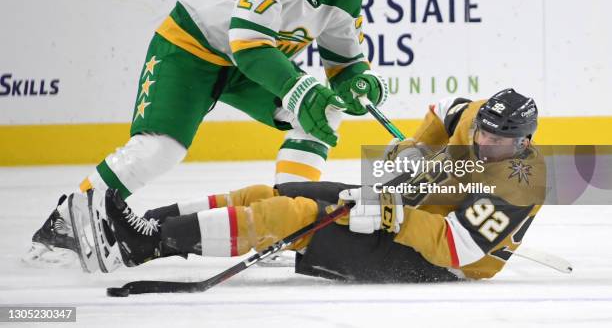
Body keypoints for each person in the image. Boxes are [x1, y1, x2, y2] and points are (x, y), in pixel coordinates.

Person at [25, 0, 388, 272]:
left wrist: (360, 84)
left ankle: (287, 225)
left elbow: (344, 64)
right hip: (190, 49)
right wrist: (297, 87)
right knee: (160, 150)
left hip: (246, 67)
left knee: (323, 115)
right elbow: (249, 47)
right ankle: (64, 223)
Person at [80, 88, 546, 282]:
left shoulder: (520, 182)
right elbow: (448, 111)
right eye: (482, 131)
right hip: (413, 207)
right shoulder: (478, 117)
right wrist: (417, 148)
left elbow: (456, 248)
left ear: (524, 141)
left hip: (433, 262)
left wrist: (391, 215)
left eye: (498, 139)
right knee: (271, 195)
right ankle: (142, 224)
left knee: (292, 218)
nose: (485, 142)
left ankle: (147, 246)